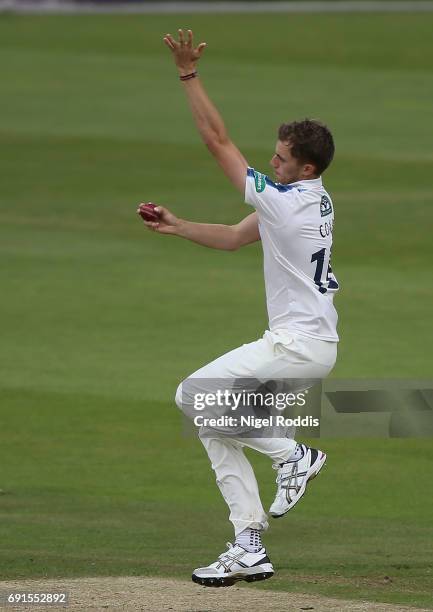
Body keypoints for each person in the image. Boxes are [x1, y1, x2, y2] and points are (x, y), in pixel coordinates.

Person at [139, 29, 339, 588]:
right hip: (309, 345)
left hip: (297, 346)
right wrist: (178, 227)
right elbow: (232, 236)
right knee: (214, 425)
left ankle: (292, 455)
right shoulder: (306, 199)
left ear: (305, 168)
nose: (271, 163)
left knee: (191, 395)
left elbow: (216, 142)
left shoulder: (286, 203)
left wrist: (187, 74)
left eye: (280, 159)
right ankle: (247, 541)